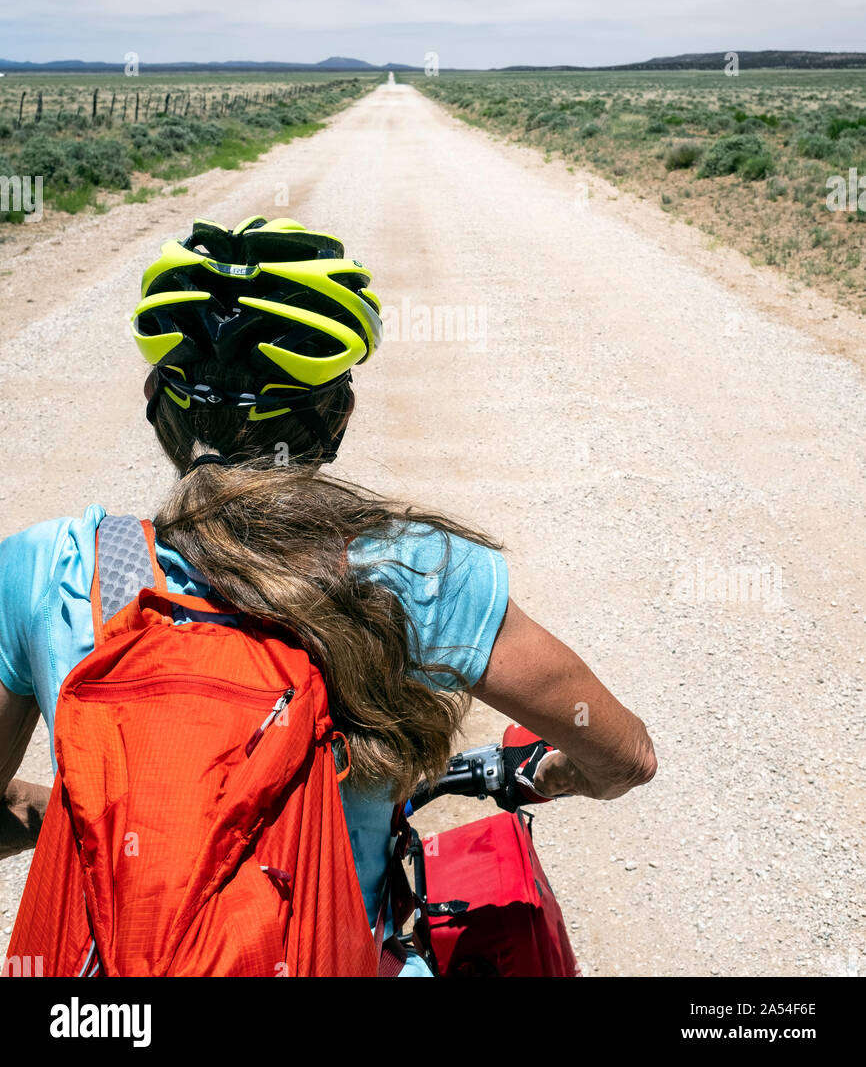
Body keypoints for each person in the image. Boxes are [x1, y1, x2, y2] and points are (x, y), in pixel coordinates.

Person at [0, 215, 656, 977]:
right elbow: (627, 756)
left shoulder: (51, 570)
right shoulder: (418, 573)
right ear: (339, 414)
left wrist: (121, 818)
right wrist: (557, 775)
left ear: (158, 403)